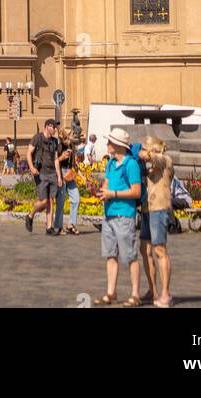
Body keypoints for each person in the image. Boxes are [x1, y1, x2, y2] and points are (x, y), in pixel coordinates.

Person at [93, 128, 142, 307]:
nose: (107, 145)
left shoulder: (131, 165)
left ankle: (135, 294)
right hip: (109, 216)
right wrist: (101, 191)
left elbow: (136, 191)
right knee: (110, 255)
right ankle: (111, 292)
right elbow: (106, 183)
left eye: (109, 142)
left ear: (118, 146)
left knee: (130, 256)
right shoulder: (111, 164)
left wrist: (112, 193)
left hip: (124, 216)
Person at [138, 136, 174, 306]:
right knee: (144, 249)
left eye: (145, 148)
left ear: (152, 150)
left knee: (160, 250)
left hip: (159, 209)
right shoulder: (151, 166)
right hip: (147, 209)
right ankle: (153, 291)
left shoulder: (165, 160)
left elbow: (159, 159)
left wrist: (146, 154)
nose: (142, 151)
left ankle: (166, 294)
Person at [25, 119, 63, 234]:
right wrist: (31, 167)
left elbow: (56, 159)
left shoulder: (55, 141)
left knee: (51, 200)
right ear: (47, 126)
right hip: (40, 173)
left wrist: (59, 176)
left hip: (52, 173)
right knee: (44, 201)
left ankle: (49, 228)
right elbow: (28, 153)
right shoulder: (38, 138)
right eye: (54, 127)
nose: (55, 130)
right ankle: (30, 215)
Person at [54, 134, 82, 235]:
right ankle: (58, 226)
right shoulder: (59, 146)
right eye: (70, 134)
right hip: (61, 172)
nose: (72, 135)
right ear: (64, 136)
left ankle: (71, 224)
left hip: (70, 173)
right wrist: (62, 157)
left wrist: (80, 174)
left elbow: (74, 162)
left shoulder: (72, 146)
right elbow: (55, 161)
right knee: (60, 201)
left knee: (76, 199)